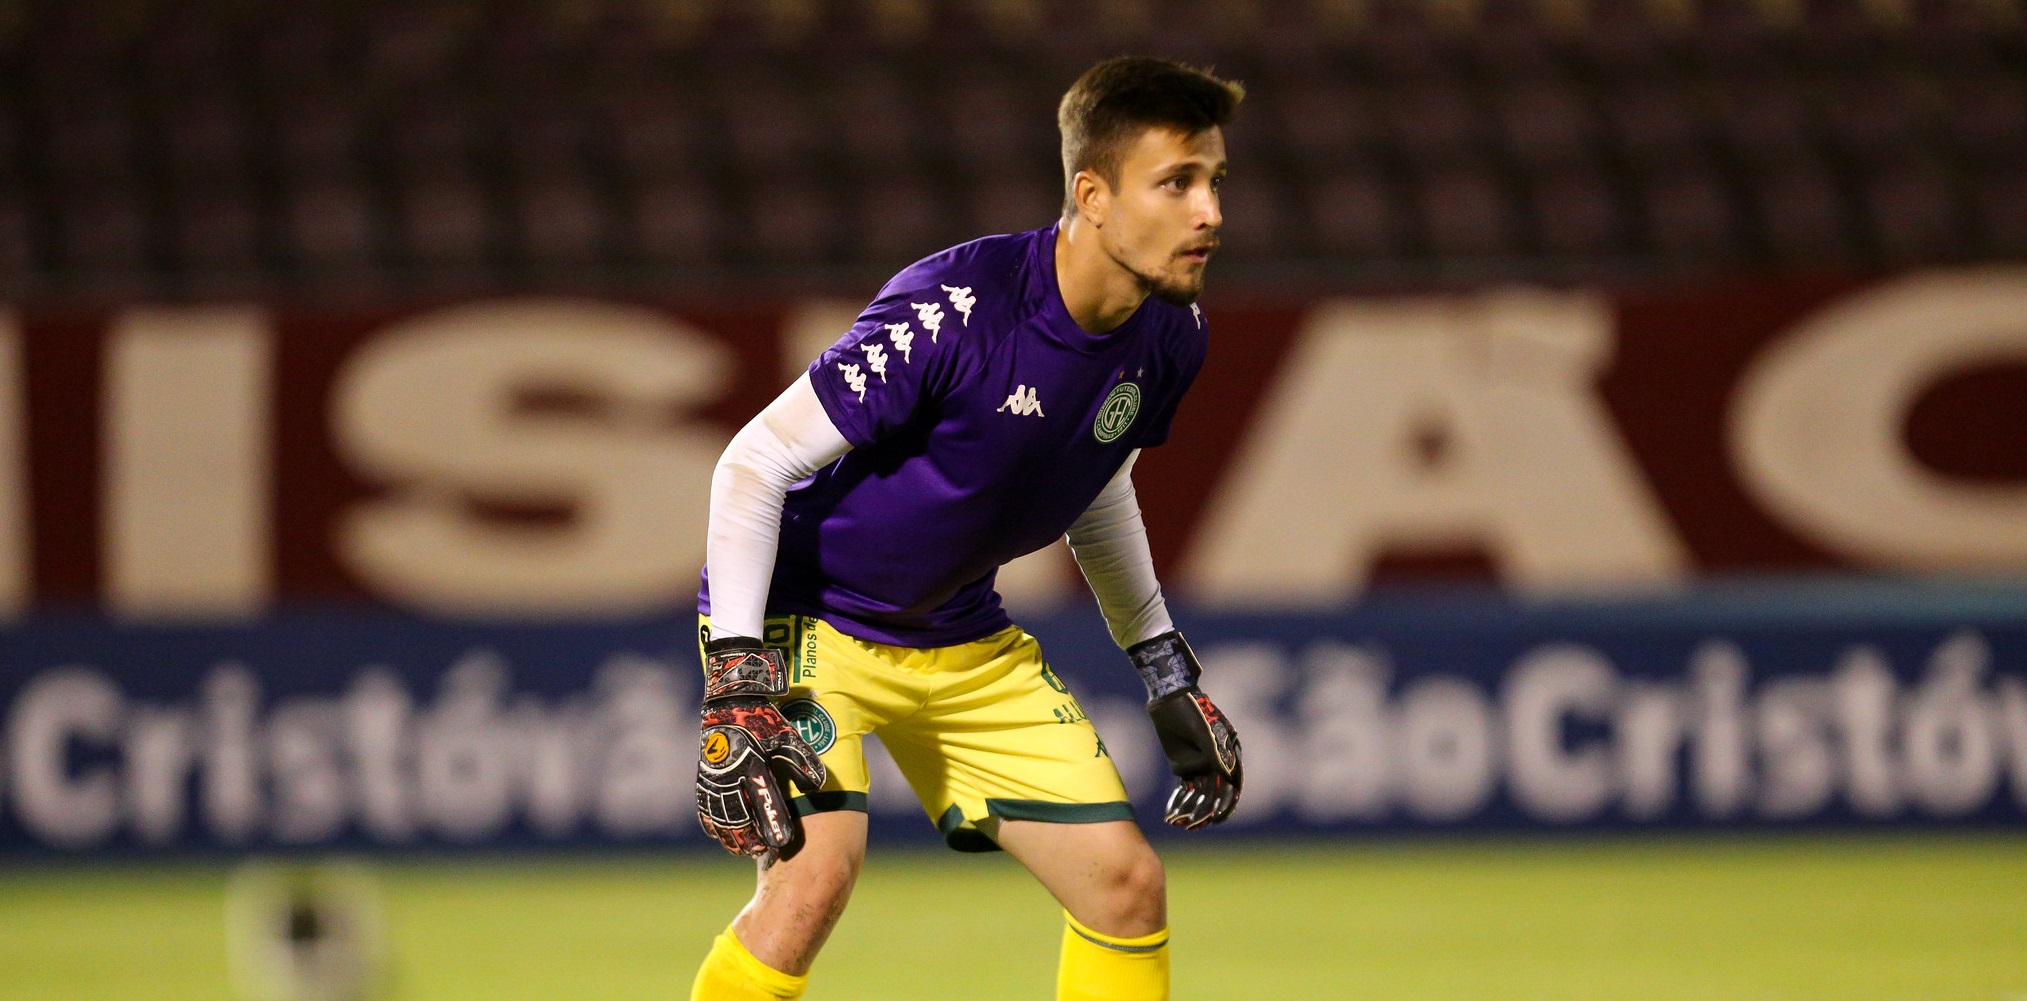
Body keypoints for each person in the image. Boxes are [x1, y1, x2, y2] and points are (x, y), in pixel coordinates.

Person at [689, 56, 1245, 1001]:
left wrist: (1161, 663)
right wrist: (736, 680)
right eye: (1176, 183)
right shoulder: (956, 308)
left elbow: (1097, 484)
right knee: (810, 880)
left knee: (1124, 885)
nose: (1209, 213)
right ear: (1093, 196)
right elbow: (751, 462)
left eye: (1214, 182)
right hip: (810, 617)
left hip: (954, 633)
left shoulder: (1169, 336)